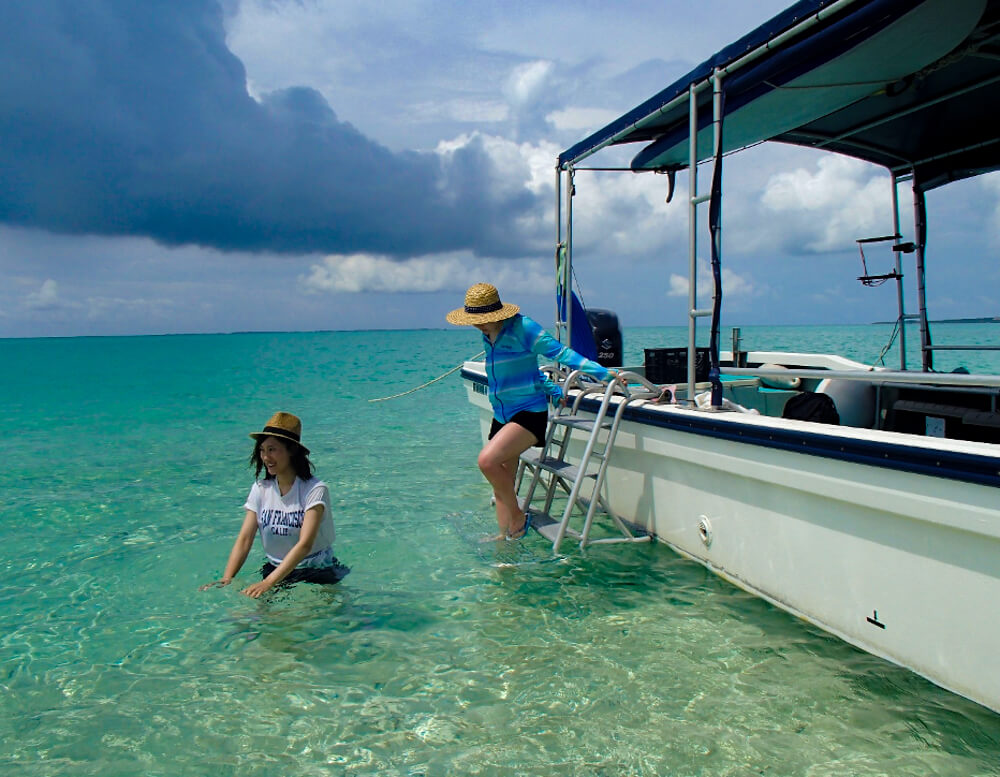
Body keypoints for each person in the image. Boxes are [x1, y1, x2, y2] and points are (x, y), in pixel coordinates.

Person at [446, 283, 617, 540]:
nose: (479, 325)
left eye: (483, 319)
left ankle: (517, 517)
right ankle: (506, 540)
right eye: (475, 320)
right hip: (501, 414)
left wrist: (603, 373)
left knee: (486, 461)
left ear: (497, 314)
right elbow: (525, 369)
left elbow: (561, 352)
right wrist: (551, 387)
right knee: (502, 487)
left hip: (528, 413)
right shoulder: (488, 334)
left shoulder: (523, 328)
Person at [200, 412, 349, 597]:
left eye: (272, 449)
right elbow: (245, 539)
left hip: (316, 571)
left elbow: (305, 544)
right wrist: (227, 578)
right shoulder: (261, 489)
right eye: (262, 450)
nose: (265, 457)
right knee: (248, 620)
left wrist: (268, 583)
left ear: (292, 450)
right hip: (274, 569)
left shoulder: (315, 490)